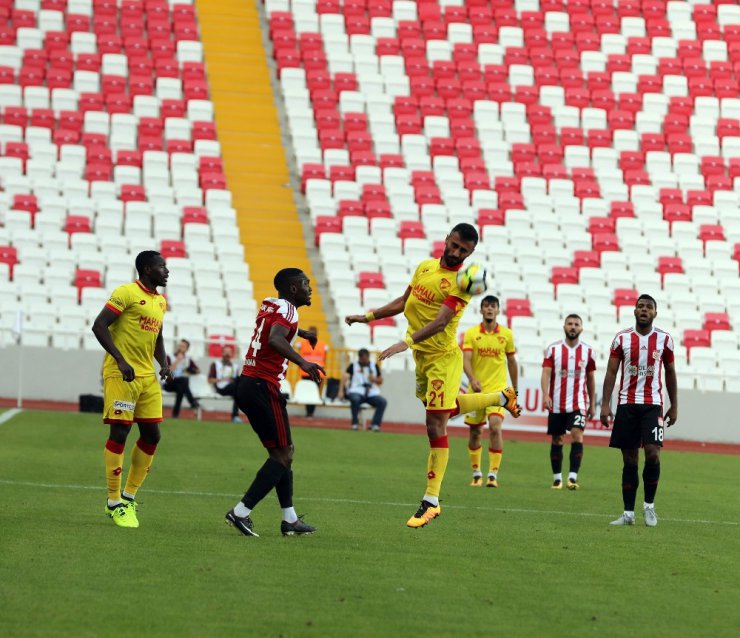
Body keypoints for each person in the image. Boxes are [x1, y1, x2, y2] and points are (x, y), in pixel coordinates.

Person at [345, 224, 522, 529]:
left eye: (462, 250)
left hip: (443, 358)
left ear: (470, 253)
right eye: (453, 245)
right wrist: (369, 317)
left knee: (434, 423)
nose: (455, 252)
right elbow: (404, 302)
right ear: (446, 239)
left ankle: (431, 501)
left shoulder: (464, 283)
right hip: (423, 358)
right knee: (442, 411)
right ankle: (500, 397)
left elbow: (441, 322)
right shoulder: (425, 267)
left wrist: (407, 341)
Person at [225, 268, 323, 538]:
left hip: (248, 383)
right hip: (262, 385)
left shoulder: (271, 304)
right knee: (283, 455)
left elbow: (273, 329)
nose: (309, 288)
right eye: (305, 284)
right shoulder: (289, 310)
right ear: (293, 289)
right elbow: (275, 338)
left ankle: (289, 519)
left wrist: (301, 333)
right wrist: (303, 361)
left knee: (284, 452)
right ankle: (241, 512)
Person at [91, 250, 172, 529]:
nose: (167, 270)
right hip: (121, 374)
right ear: (148, 269)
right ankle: (114, 503)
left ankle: (129, 497)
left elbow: (158, 336)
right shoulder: (125, 292)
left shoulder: (160, 301)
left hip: (148, 377)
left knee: (152, 435)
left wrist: (164, 362)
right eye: (162, 266)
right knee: (120, 432)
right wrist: (120, 360)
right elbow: (99, 326)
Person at [600, 294, 678, 527]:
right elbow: (611, 372)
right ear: (635, 311)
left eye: (649, 307)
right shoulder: (621, 339)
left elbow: (671, 372)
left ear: (655, 313)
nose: (644, 310)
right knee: (630, 460)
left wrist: (674, 405)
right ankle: (628, 514)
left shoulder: (664, 339)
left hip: (653, 404)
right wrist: (605, 404)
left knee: (653, 453)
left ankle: (649, 507)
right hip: (626, 404)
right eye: (640, 306)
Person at [462, 295, 518, 488]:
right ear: (481, 310)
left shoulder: (507, 335)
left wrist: (514, 390)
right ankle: (476, 473)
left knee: (495, 427)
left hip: (498, 392)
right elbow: (466, 360)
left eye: (493, 306)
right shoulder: (471, 333)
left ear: (498, 310)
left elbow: (512, 362)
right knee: (476, 432)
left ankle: (492, 474)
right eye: (486, 306)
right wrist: (472, 379)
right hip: (475, 391)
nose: (489, 309)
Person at [541, 314, 596, 491]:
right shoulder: (553, 349)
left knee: (576, 433)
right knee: (557, 439)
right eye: (570, 324)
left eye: (576, 324)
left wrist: (592, 403)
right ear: (564, 327)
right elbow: (546, 374)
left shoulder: (588, 351)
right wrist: (545, 394)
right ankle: (557, 479)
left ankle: (572, 477)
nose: (573, 327)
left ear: (581, 328)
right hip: (556, 403)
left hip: (578, 403)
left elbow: (590, 378)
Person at [341, 348, 388, 432]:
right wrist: (340, 391)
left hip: (371, 393)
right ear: (359, 358)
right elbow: (344, 377)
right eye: (362, 359)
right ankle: (355, 424)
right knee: (355, 399)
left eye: (365, 359)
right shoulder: (353, 365)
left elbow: (381, 381)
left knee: (382, 402)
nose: (364, 361)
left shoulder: (374, 366)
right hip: (356, 391)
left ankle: (375, 425)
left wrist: (374, 379)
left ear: (368, 357)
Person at [163, 339, 201, 418]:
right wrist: (177, 360)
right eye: (180, 346)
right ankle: (192, 402)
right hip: (168, 382)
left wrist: (189, 370)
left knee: (181, 388)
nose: (180, 348)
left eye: (183, 346)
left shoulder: (187, 359)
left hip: (180, 383)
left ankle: (175, 415)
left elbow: (198, 370)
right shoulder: (170, 356)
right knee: (184, 380)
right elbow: (167, 372)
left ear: (187, 349)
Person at [296, 325, 328, 417]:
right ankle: (309, 412)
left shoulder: (323, 345)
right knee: (309, 392)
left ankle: (310, 413)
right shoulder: (302, 344)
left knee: (314, 392)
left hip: (314, 372)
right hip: (307, 372)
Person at [208, 344, 241, 423]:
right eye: (225, 352)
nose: (227, 354)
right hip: (220, 388)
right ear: (222, 353)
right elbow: (210, 380)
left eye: (229, 352)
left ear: (232, 354)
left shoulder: (235, 366)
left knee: (238, 391)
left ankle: (235, 416)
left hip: (232, 388)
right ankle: (235, 416)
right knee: (238, 388)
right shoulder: (215, 364)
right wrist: (222, 379)